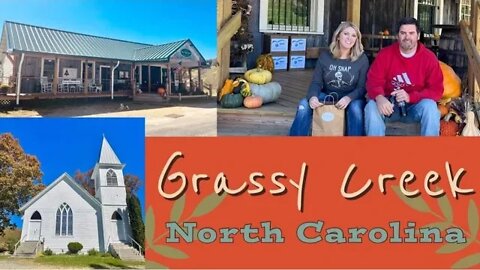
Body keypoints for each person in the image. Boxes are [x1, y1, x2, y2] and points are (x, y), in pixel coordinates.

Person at [364, 17, 443, 136]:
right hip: (388, 104)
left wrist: (411, 97)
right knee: (371, 107)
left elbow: (437, 91)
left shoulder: (429, 58)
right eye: (403, 33)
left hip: (415, 107)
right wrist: (379, 97)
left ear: (418, 35)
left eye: (411, 33)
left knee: (431, 107)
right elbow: (373, 81)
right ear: (397, 35)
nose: (407, 37)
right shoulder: (385, 55)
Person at [289, 21, 369, 136]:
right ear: (338, 36)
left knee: (356, 109)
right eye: (346, 34)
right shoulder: (325, 56)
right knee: (304, 105)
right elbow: (316, 82)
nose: (349, 38)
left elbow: (362, 88)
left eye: (353, 35)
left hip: (352, 98)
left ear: (357, 39)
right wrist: (313, 97)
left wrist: (348, 98)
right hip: (328, 95)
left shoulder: (362, 59)